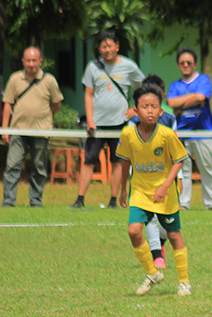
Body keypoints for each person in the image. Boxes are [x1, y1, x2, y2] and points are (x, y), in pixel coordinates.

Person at [116, 83, 191, 297]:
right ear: (135, 110)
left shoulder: (167, 135)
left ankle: (184, 281)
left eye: (154, 106)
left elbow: (179, 161)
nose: (150, 110)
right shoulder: (128, 134)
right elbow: (123, 161)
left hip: (165, 194)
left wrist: (166, 185)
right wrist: (123, 189)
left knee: (174, 235)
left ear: (161, 110)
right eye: (144, 106)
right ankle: (152, 273)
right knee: (133, 231)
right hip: (139, 191)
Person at [71, 30, 145, 209]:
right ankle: (80, 199)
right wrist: (89, 120)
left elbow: (143, 88)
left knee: (117, 162)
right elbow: (88, 94)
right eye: (103, 46)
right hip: (96, 124)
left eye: (110, 46)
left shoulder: (129, 66)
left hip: (119, 123)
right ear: (99, 49)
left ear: (117, 47)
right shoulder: (93, 67)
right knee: (89, 161)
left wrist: (135, 108)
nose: (107, 49)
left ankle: (114, 199)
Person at [2, 46, 63, 207]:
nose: (31, 64)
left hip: (41, 131)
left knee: (39, 167)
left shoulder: (49, 80)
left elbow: (56, 104)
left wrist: (45, 118)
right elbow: (8, 104)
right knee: (12, 166)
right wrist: (5, 129)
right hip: (17, 130)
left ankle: (36, 201)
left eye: (34, 60)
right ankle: (8, 201)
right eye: (28, 60)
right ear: (23, 61)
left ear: (40, 61)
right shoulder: (15, 79)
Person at [128, 75, 177, 269]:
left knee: (168, 221)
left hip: (165, 176)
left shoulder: (169, 120)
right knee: (149, 216)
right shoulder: (134, 122)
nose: (149, 106)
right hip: (142, 178)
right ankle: (157, 255)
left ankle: (161, 244)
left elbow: (175, 149)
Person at [167, 48, 212, 211]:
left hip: (203, 133)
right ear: (178, 65)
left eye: (189, 62)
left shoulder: (203, 80)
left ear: (195, 63)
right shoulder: (175, 85)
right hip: (182, 134)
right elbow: (171, 103)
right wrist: (193, 99)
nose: (186, 65)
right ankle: (184, 203)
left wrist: (182, 104)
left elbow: (202, 97)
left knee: (207, 169)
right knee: (184, 171)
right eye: (182, 63)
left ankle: (210, 204)